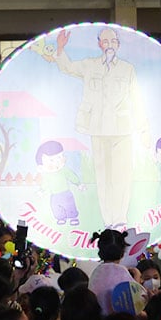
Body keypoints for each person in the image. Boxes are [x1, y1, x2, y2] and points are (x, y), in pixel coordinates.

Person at [44, 26, 143, 227]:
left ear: (118, 44)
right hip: (97, 128)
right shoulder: (90, 65)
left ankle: (121, 219)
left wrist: (143, 129)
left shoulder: (127, 68)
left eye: (113, 41)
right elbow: (68, 67)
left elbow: (136, 100)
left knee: (122, 176)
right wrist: (60, 49)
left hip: (123, 129)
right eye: (105, 42)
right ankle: (109, 221)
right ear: (99, 44)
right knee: (103, 177)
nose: (109, 45)